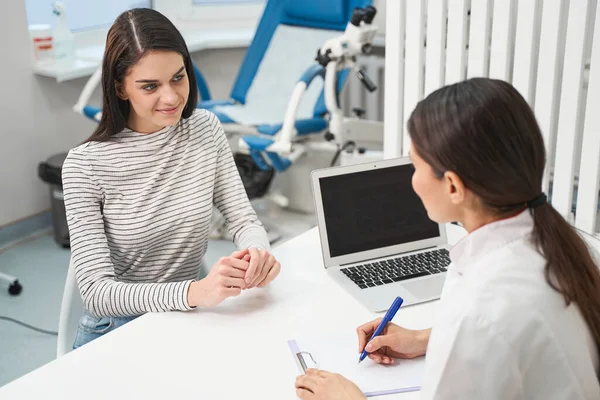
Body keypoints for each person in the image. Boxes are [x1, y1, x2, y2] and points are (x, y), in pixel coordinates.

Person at [295, 78, 600, 399]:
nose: (411, 180)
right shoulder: (569, 248)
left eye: (414, 166)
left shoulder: (482, 308)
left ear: (453, 186)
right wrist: (428, 338)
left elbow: (490, 327)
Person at [62, 8, 281, 349]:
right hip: (117, 332)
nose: (171, 97)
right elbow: (97, 294)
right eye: (150, 86)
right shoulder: (84, 166)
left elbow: (242, 219)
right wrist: (196, 291)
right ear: (120, 88)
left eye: (178, 77)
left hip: (188, 318)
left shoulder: (205, 129)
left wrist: (257, 254)